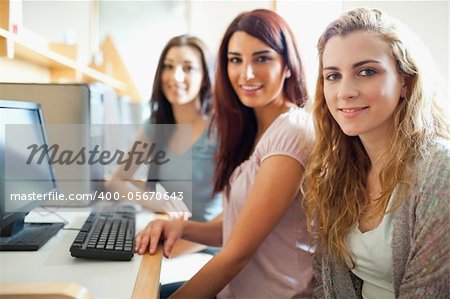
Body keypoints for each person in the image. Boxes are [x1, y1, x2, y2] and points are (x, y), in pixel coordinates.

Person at [135, 9, 315, 298]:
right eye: (235, 60)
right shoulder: (250, 130)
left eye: (262, 58)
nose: (246, 73)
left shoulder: (292, 131)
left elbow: (235, 254)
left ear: (288, 64)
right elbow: (234, 226)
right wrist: (178, 227)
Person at [304, 7, 450, 298]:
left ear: (405, 82)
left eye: (366, 72)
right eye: (332, 75)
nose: (345, 91)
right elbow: (323, 282)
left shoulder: (440, 171)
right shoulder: (338, 168)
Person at [106, 35, 222, 256]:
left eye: (188, 68)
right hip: (165, 239)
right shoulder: (156, 125)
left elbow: (233, 217)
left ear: (206, 77)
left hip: (203, 250)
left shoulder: (220, 129)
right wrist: (157, 201)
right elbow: (116, 181)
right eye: (168, 67)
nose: (176, 77)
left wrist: (172, 251)